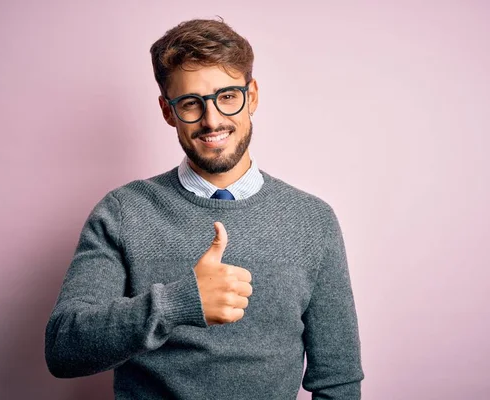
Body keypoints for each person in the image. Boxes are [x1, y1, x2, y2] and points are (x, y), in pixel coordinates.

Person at [45, 17, 364, 399]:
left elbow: (338, 379)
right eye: (191, 103)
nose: (212, 120)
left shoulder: (312, 221)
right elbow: (63, 349)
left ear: (253, 96)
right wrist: (179, 303)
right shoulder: (123, 212)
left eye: (227, 96)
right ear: (168, 111)